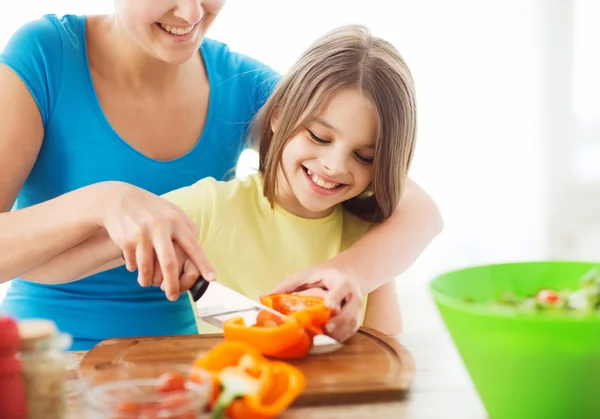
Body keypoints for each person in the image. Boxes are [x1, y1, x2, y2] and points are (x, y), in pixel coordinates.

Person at [0, 1, 442, 350]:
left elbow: (416, 208)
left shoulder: (242, 83)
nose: (191, 14)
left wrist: (345, 275)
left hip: (178, 362)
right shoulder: (44, 54)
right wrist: (103, 202)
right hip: (47, 352)